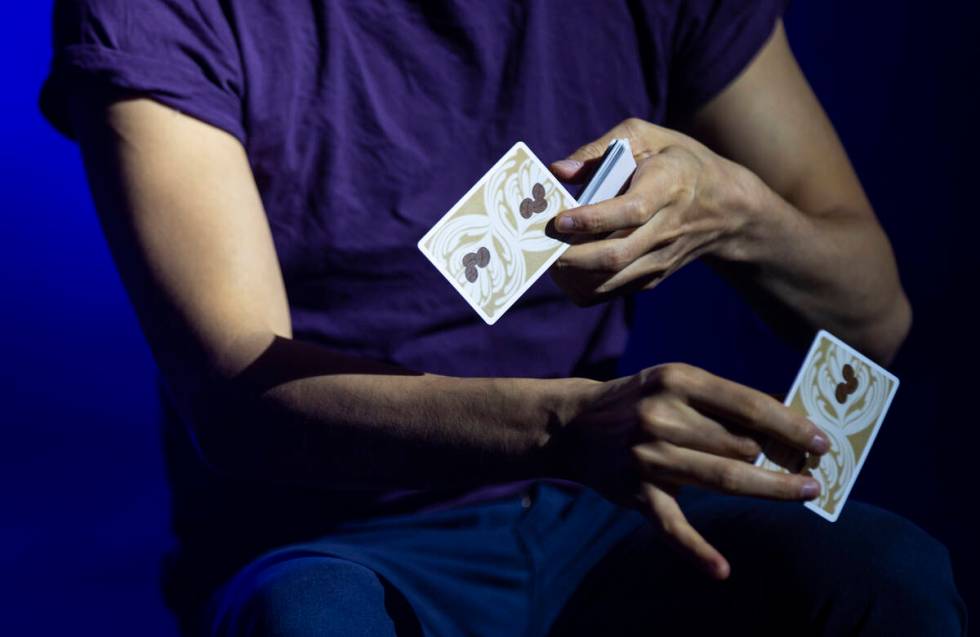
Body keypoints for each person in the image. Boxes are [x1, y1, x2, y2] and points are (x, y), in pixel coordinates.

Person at [41, 0, 966, 635]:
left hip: (595, 511)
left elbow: (874, 319)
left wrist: (740, 211)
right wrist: (567, 424)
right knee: (311, 620)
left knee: (889, 572)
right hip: (326, 536)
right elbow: (237, 397)